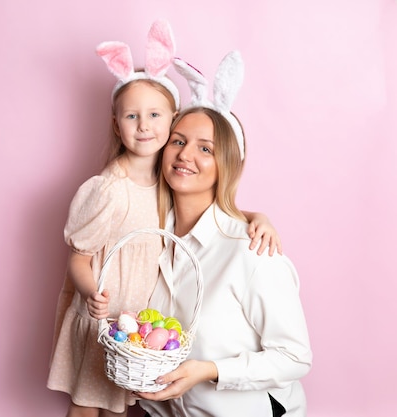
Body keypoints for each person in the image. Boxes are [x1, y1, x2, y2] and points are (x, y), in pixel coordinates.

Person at [136, 51, 312, 417]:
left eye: (206, 149)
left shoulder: (251, 250)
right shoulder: (147, 239)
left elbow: (295, 357)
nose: (186, 155)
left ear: (226, 165)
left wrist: (212, 371)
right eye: (178, 141)